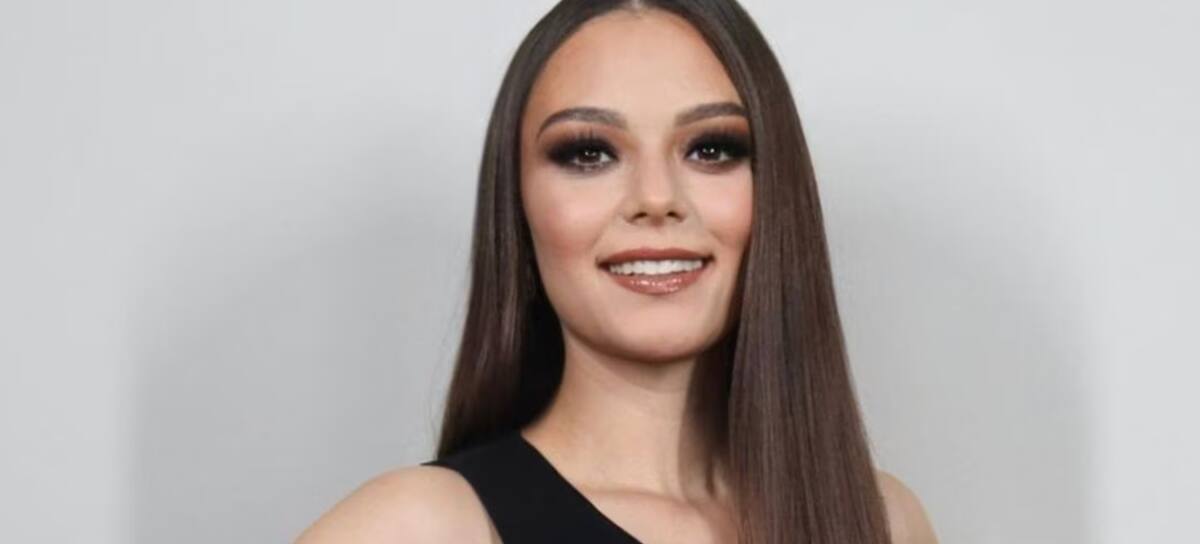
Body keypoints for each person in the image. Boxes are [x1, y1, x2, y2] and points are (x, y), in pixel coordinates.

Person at [298, 0, 938, 542]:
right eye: (589, 153)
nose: (656, 199)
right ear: (518, 206)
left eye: (712, 148)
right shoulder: (418, 528)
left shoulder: (883, 521)